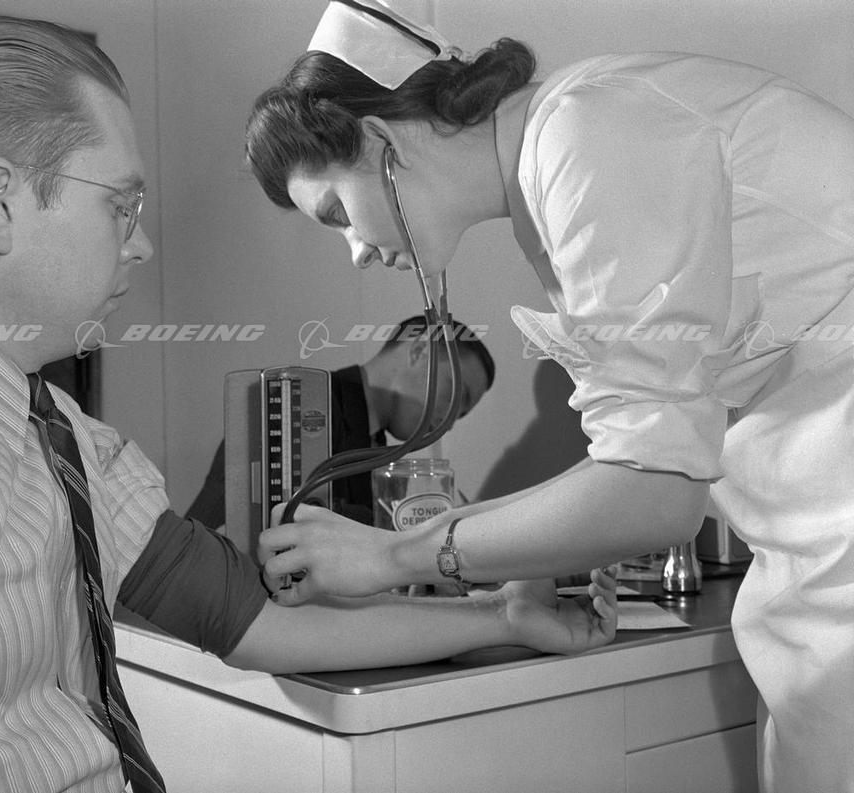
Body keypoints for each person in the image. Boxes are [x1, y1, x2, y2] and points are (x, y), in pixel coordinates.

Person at [0, 15, 618, 793]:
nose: (140, 243)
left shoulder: (61, 437)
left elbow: (252, 620)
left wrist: (504, 618)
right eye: (120, 205)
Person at [246, 1, 854, 790]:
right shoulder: (563, 159)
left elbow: (654, 494)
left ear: (380, 143)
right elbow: (637, 460)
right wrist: (514, 557)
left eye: (337, 213)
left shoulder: (586, 135)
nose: (356, 251)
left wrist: (391, 555)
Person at [186, 314, 495, 527]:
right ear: (420, 350)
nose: (450, 422)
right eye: (457, 396)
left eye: (462, 414)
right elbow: (254, 525)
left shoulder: (377, 451)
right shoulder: (299, 403)